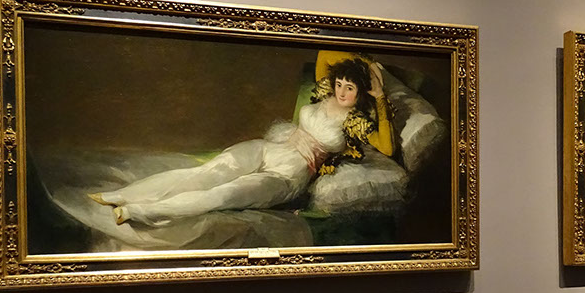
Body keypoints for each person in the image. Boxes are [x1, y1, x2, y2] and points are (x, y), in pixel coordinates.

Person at [90, 55, 395, 226]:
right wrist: (362, 63)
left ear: (361, 91)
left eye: (350, 88)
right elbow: (326, 55)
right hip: (269, 149)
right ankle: (124, 195)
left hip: (288, 175)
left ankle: (138, 211)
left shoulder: (357, 121)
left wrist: (380, 95)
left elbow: (387, 147)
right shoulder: (323, 93)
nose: (341, 92)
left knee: (223, 194)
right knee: (206, 173)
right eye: (340, 84)